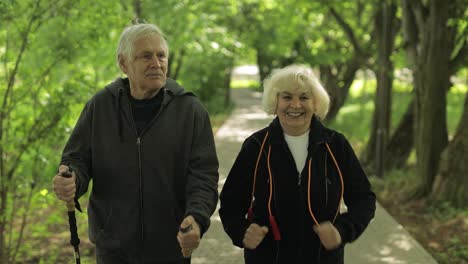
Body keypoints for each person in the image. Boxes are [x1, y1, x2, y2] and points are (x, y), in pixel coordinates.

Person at [52, 22, 219, 264]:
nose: (157, 63)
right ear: (123, 63)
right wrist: (71, 180)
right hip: (113, 247)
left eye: (161, 55)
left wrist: (197, 217)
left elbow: (203, 176)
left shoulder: (190, 111)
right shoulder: (100, 106)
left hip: (170, 247)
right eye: (146, 56)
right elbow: (76, 159)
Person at [219, 64, 376, 264]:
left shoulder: (335, 145)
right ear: (274, 102)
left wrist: (342, 230)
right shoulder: (256, 146)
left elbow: (364, 199)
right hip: (268, 258)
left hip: (323, 259)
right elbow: (231, 202)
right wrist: (242, 231)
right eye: (286, 97)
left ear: (316, 102)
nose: (295, 105)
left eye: (304, 97)